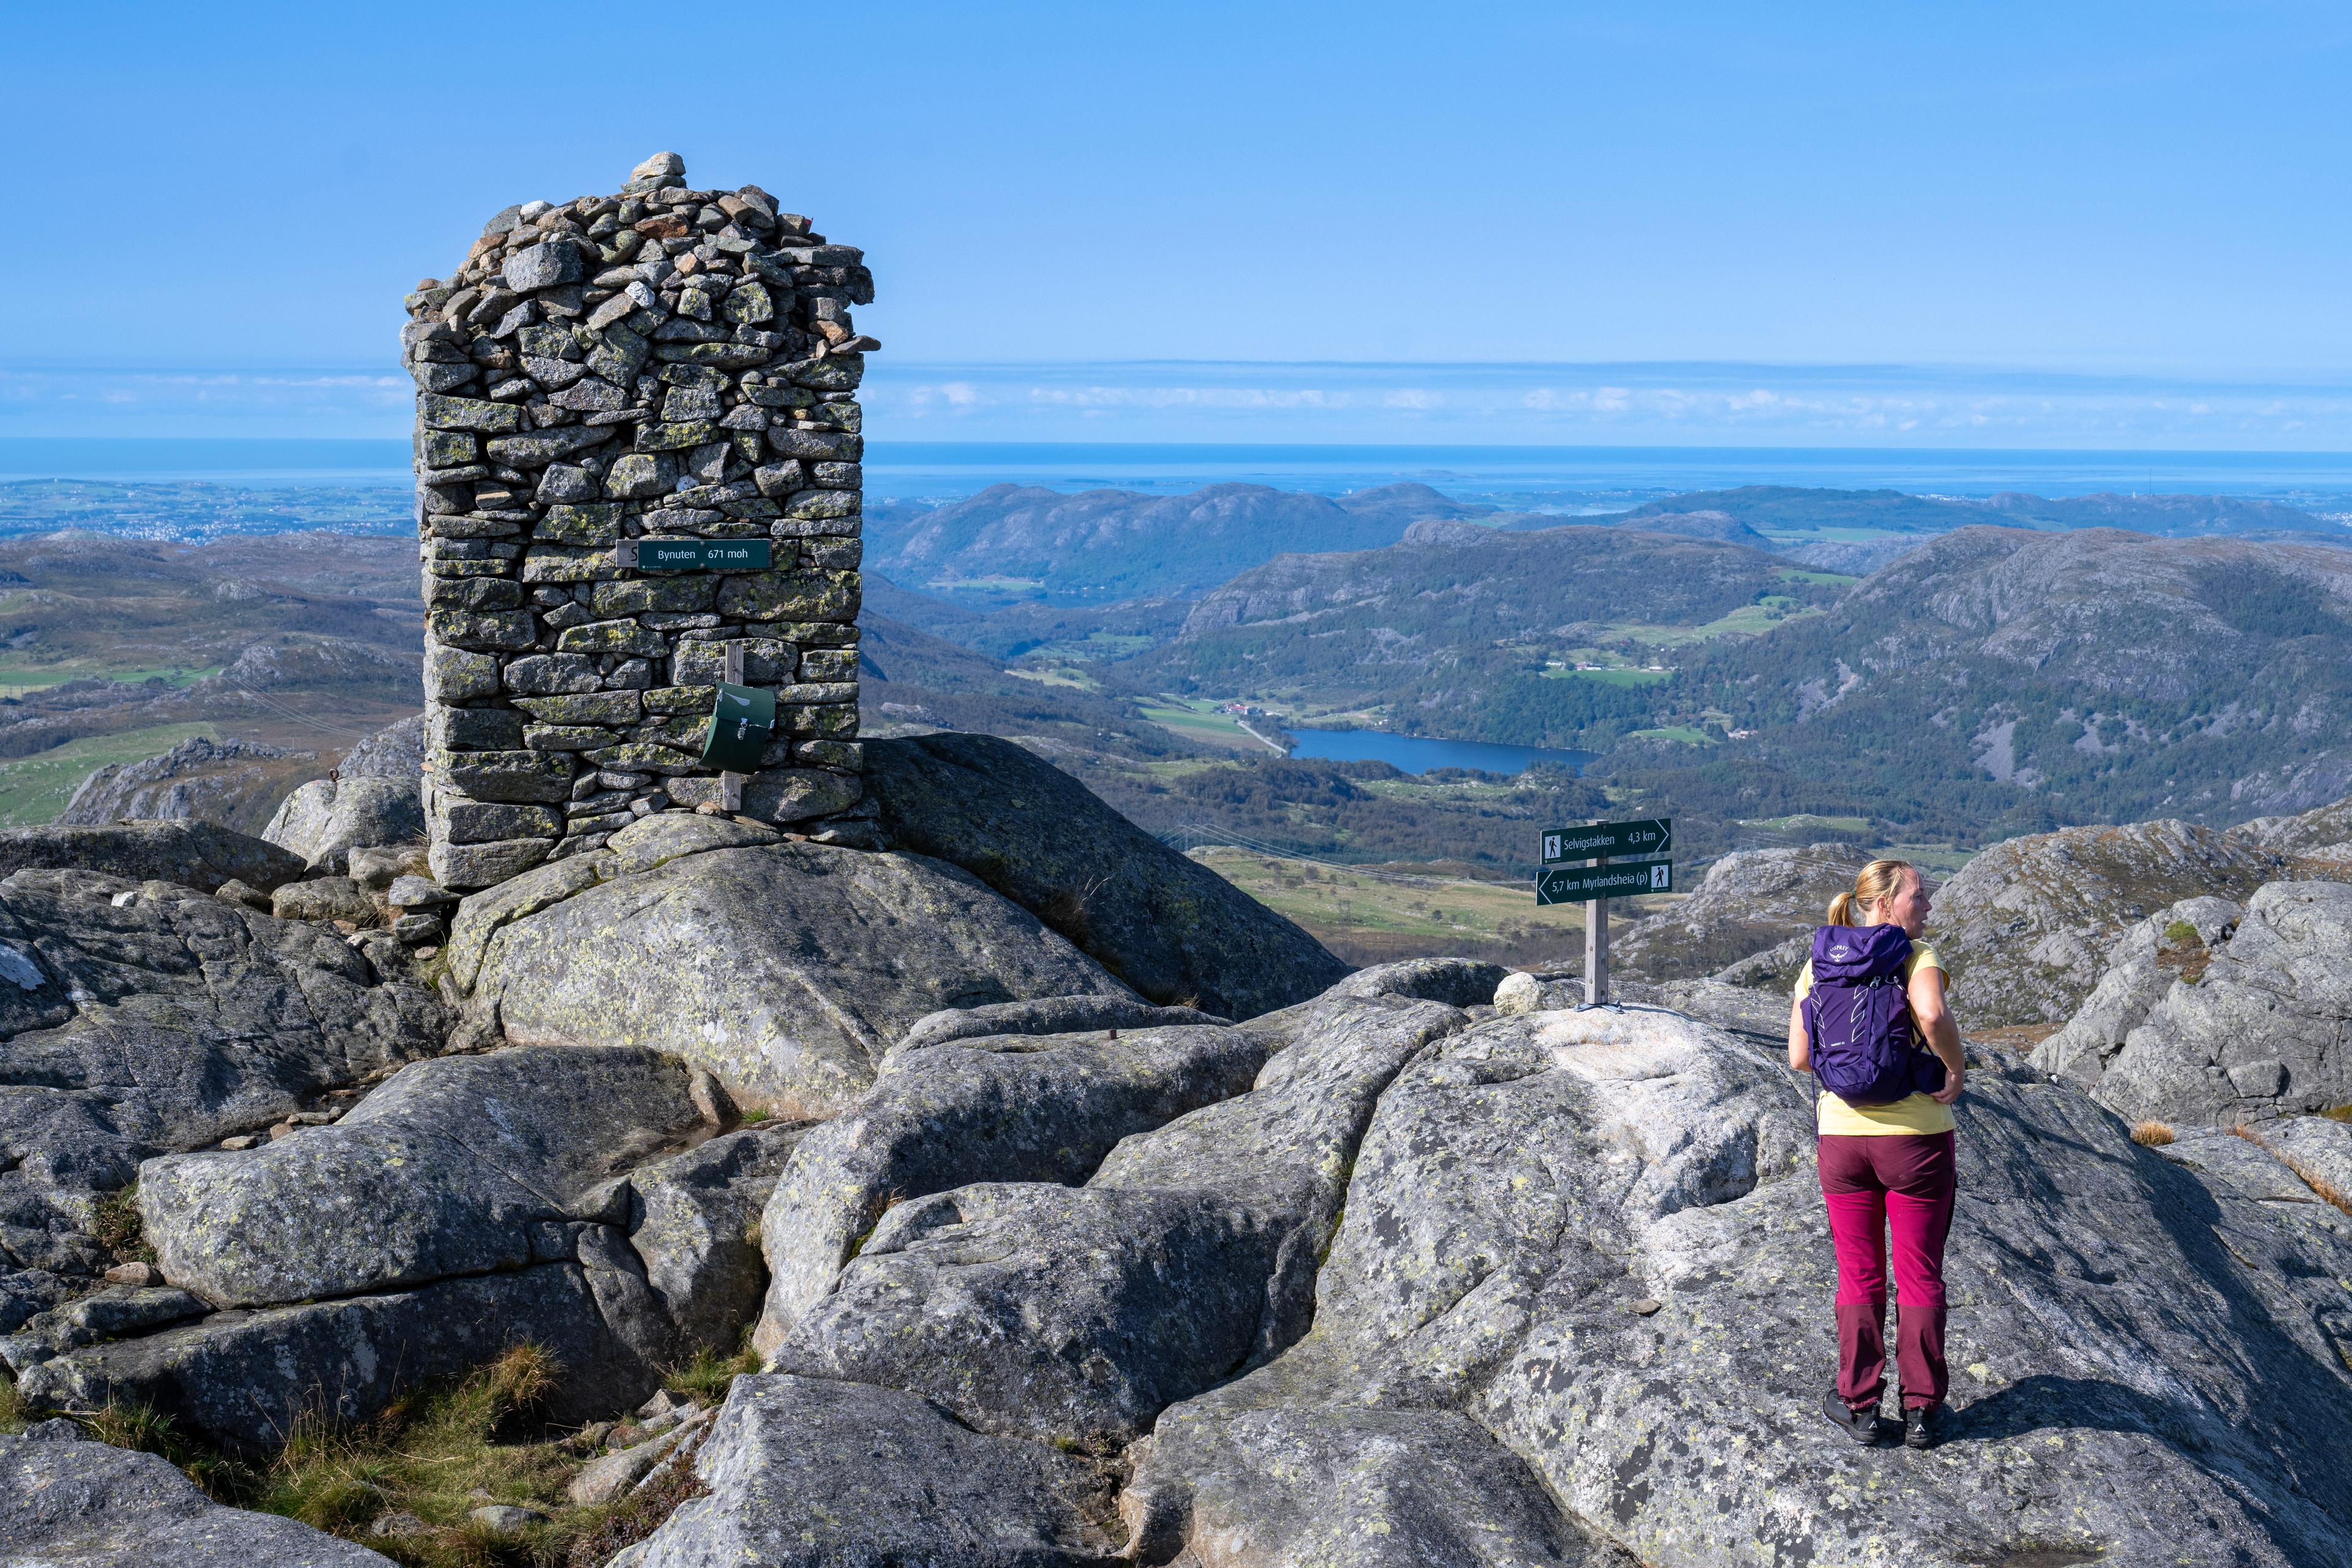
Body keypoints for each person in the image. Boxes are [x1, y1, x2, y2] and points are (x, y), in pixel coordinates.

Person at [1786, 858, 1965, 1450]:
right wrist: (1956, 1068)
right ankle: (1920, 1412)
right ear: (1885, 904)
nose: (1928, 907)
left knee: (1859, 1272)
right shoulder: (1917, 957)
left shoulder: (1819, 962)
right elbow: (1933, 1014)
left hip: (1841, 1141)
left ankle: (1859, 1403)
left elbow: (1800, 1058)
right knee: (1919, 1273)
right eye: (1920, 896)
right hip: (1915, 1141)